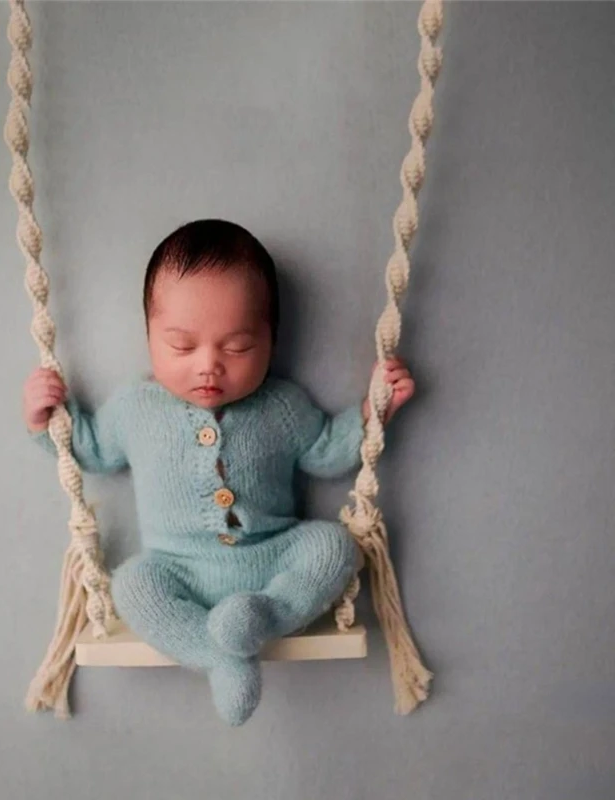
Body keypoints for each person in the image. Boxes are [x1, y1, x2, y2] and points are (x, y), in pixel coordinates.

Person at [23, 219, 414, 725]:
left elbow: (327, 452)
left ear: (270, 340)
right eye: (182, 347)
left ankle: (263, 616)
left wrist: (372, 411)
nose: (209, 365)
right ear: (148, 336)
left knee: (333, 546)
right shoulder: (135, 408)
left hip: (272, 559)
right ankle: (218, 653)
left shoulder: (282, 405)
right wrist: (46, 419)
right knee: (132, 584)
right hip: (178, 569)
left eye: (237, 347)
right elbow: (91, 451)